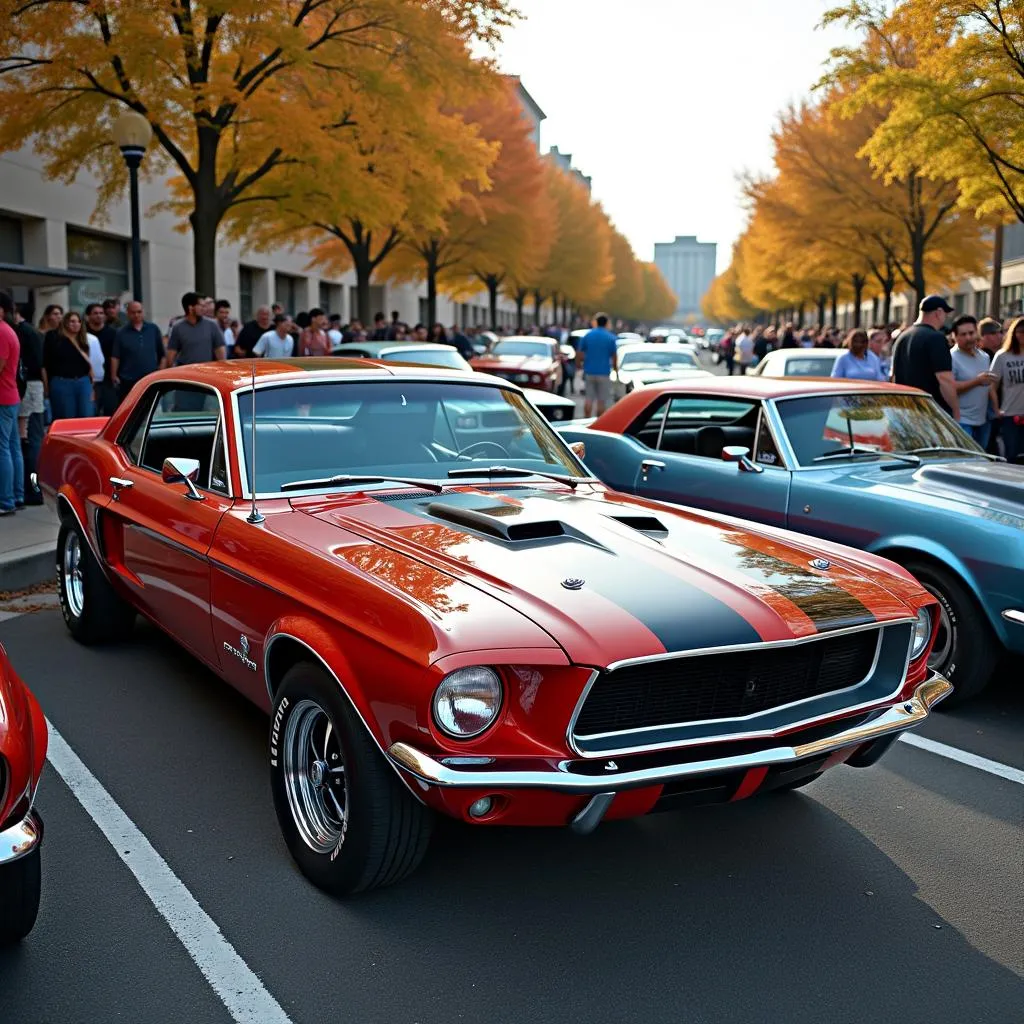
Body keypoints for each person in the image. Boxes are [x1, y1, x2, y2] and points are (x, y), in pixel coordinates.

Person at [891, 295, 959, 419]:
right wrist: (956, 411)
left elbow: (893, 376)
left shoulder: (902, 337)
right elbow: (945, 379)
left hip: (905, 409)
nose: (945, 318)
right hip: (931, 413)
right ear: (938, 312)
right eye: (945, 313)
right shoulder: (936, 338)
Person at [949, 315, 998, 448]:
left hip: (983, 420)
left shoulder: (984, 357)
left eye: (971, 333)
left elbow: (988, 386)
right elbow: (950, 387)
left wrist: (996, 409)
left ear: (977, 333)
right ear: (954, 336)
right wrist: (977, 381)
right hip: (962, 420)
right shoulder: (951, 357)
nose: (968, 338)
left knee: (982, 462)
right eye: (963, 334)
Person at [13, 304, 44, 504]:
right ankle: (32, 488)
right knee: (31, 438)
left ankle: (32, 489)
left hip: (28, 387)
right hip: (32, 387)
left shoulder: (24, 332)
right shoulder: (30, 332)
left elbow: (33, 364)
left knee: (30, 439)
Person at [111, 301, 166, 405]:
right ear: (127, 313)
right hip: (128, 379)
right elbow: (115, 356)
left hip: (151, 379)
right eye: (133, 312)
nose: (136, 315)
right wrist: (114, 375)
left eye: (139, 312)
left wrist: (161, 373)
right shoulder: (121, 332)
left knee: (152, 406)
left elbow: (162, 354)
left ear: (143, 312)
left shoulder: (153, 329)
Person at [44, 311, 95, 419]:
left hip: (83, 381)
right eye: (72, 321)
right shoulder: (54, 337)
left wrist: (92, 386)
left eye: (78, 321)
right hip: (62, 382)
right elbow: (45, 363)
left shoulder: (83, 342)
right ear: (65, 322)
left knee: (85, 416)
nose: (76, 324)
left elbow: (88, 366)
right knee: (66, 417)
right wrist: (46, 386)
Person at [0, 292, 24, 515]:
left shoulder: (1, 331)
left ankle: (6, 501)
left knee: (3, 448)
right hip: (10, 395)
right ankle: (16, 495)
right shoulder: (9, 331)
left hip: (2, 397)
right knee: (12, 447)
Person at [991, 317, 1024, 463]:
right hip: (1011, 414)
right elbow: (992, 386)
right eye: (1020, 332)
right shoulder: (1002, 356)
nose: (1023, 335)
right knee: (1012, 457)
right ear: (1014, 333)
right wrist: (996, 409)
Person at [167, 291, 226, 366]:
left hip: (206, 371)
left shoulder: (212, 325)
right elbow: (171, 353)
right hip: (185, 373)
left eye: (205, 306)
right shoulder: (178, 327)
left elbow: (220, 351)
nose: (204, 309)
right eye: (201, 306)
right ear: (190, 307)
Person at [575, 313, 618, 417]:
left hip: (589, 371)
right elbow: (614, 356)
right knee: (601, 401)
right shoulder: (610, 337)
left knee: (588, 399)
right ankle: (598, 422)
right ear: (606, 323)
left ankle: (586, 419)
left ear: (596, 322)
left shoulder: (588, 335)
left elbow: (579, 353)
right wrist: (616, 369)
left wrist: (579, 365)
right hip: (604, 372)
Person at [85, 302, 118, 414]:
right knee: (91, 411)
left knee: (110, 410)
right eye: (95, 313)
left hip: (108, 379)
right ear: (88, 316)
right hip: (88, 379)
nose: (99, 315)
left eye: (101, 313)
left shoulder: (112, 333)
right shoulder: (83, 333)